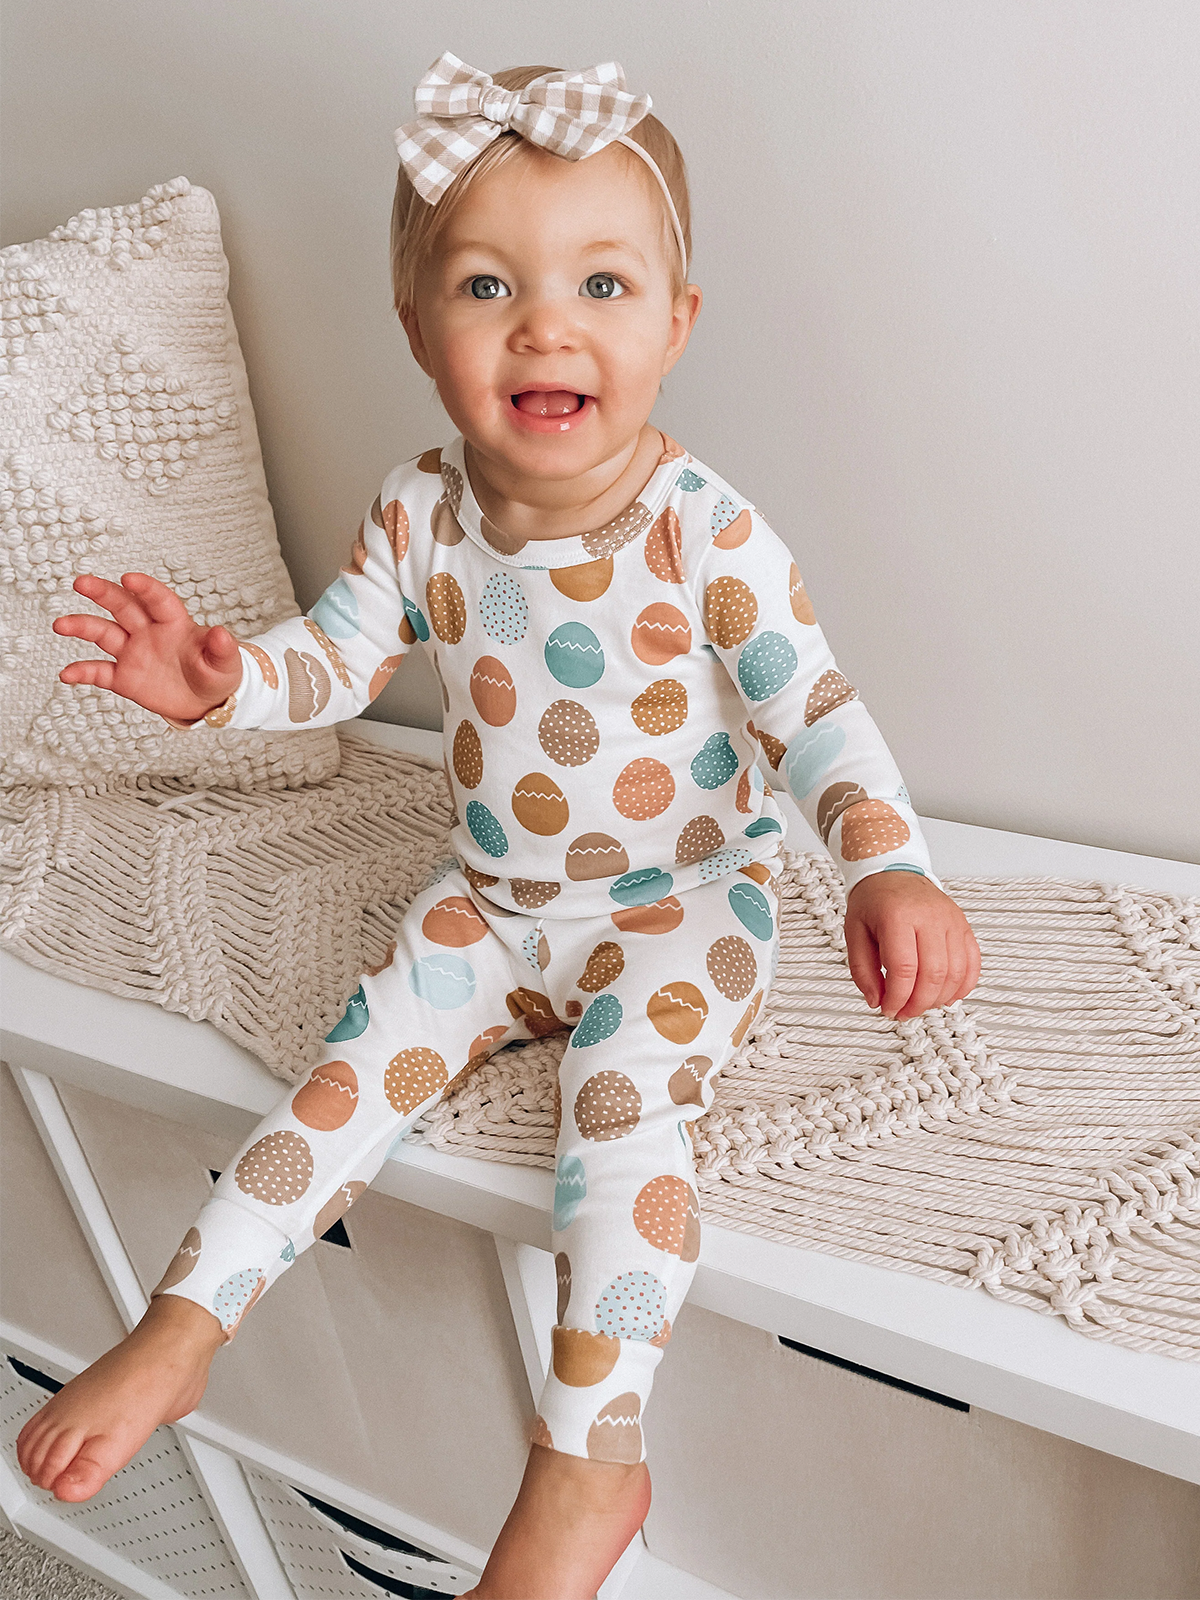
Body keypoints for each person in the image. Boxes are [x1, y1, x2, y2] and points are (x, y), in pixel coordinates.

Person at [17, 54, 981, 1600]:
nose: (547, 323)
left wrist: (887, 863)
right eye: (486, 285)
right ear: (419, 330)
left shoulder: (702, 526)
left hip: (684, 901)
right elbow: (336, 657)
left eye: (603, 281)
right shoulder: (421, 510)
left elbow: (814, 712)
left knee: (621, 1114)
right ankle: (181, 1329)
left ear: (675, 323)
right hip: (491, 903)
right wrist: (223, 684)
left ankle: (588, 1462)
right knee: (341, 1079)